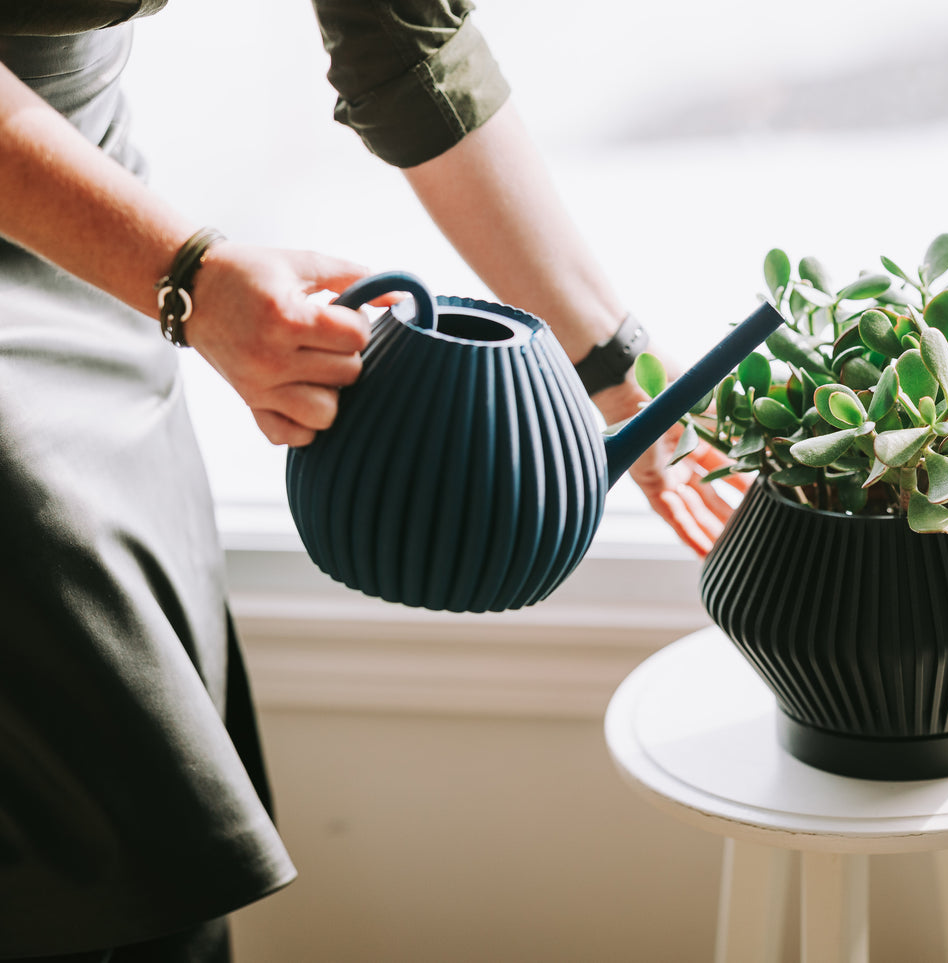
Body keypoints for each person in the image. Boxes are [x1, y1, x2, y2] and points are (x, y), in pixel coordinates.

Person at [0, 2, 738, 959]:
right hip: (118, 247)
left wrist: (613, 366)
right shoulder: (171, 271)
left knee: (151, 846)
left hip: (85, 222)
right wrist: (183, 274)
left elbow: (406, 39)